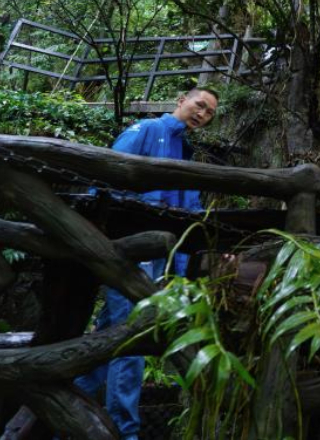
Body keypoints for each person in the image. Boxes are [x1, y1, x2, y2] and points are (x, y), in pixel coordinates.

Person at [77, 86, 219, 440]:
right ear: (181, 100)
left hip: (157, 257)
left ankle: (62, 412)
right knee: (131, 338)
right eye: (199, 105)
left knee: (111, 335)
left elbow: (192, 213)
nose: (202, 113)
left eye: (210, 112)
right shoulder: (146, 131)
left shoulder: (185, 153)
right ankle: (124, 432)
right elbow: (107, 178)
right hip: (128, 251)